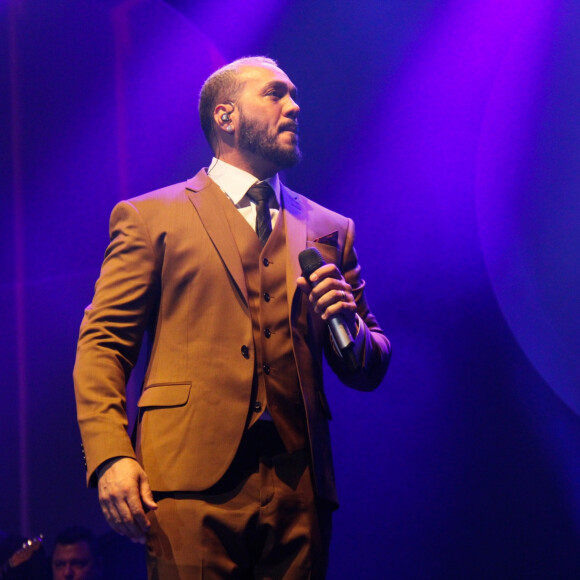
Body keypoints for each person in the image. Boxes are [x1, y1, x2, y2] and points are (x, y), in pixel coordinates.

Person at [73, 56, 391, 579]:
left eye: (294, 95)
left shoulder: (329, 229)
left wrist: (350, 331)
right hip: (187, 484)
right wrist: (110, 455)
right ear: (226, 116)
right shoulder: (151, 218)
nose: (294, 107)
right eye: (275, 94)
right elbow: (104, 343)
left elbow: (370, 363)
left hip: (298, 485)